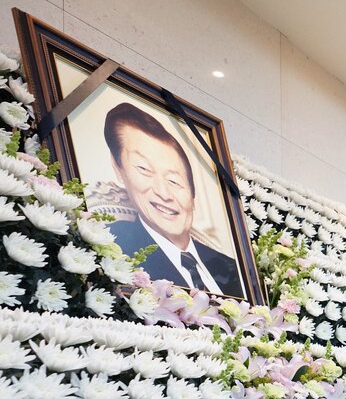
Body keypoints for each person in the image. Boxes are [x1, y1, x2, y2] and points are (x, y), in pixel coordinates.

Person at [103, 102, 243, 297]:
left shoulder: (233, 269)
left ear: (193, 196)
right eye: (144, 169)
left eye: (174, 181)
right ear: (118, 169)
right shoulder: (112, 247)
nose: (164, 193)